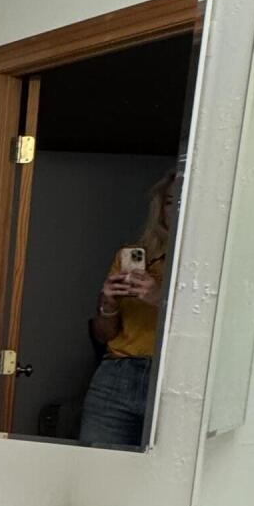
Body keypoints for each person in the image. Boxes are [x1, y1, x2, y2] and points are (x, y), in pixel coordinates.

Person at [78, 170, 177, 449]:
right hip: (117, 374)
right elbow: (104, 335)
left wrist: (161, 299)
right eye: (169, 202)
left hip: (173, 377)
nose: (175, 211)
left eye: (181, 201)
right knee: (95, 469)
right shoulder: (135, 255)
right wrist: (108, 304)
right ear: (159, 209)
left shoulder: (204, 266)